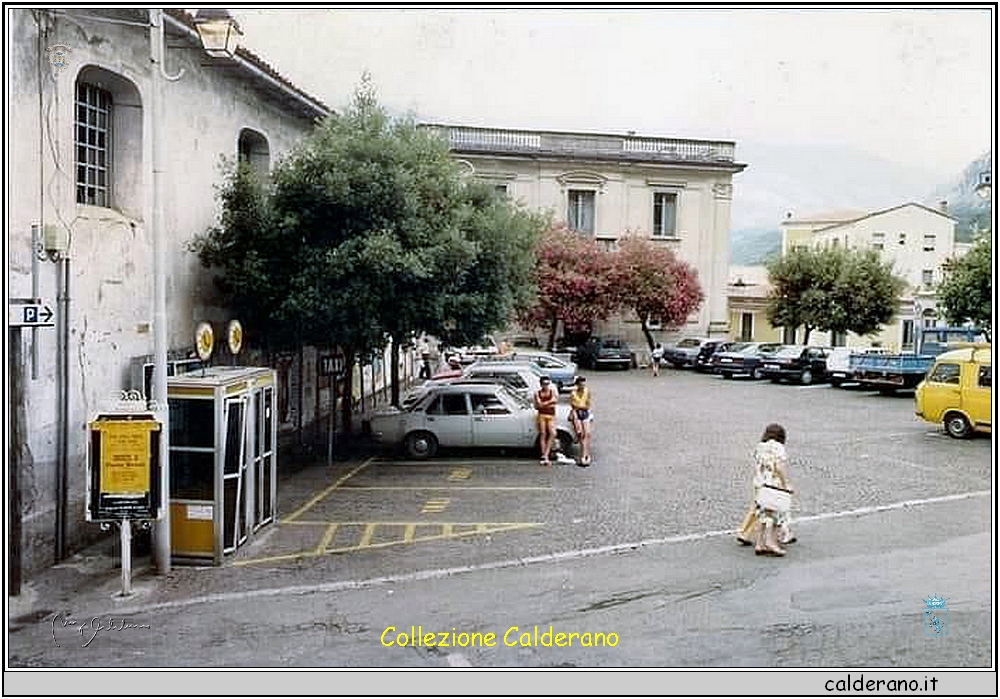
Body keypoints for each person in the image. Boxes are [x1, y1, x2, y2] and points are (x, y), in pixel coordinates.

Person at [750, 423, 795, 556]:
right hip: (773, 484)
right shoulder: (778, 447)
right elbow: (779, 467)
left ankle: (759, 543)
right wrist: (786, 483)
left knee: (762, 513)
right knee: (777, 514)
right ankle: (771, 543)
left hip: (760, 483)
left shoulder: (759, 447)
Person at [533, 375, 558, 466]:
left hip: (550, 415)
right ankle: (544, 456)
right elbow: (537, 405)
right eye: (544, 384)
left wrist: (544, 404)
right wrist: (549, 403)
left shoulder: (552, 391)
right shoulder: (537, 393)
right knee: (543, 434)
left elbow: (554, 401)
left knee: (553, 433)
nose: (546, 386)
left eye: (547, 384)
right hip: (542, 415)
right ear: (541, 384)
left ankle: (546, 453)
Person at [569, 376, 593, 466]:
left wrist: (579, 406)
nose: (582, 385)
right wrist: (580, 407)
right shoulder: (573, 393)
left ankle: (586, 454)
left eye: (583, 384)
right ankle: (584, 455)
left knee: (587, 434)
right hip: (576, 414)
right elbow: (572, 405)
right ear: (577, 384)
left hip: (584, 413)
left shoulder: (587, 392)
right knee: (582, 434)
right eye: (581, 384)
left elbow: (588, 405)